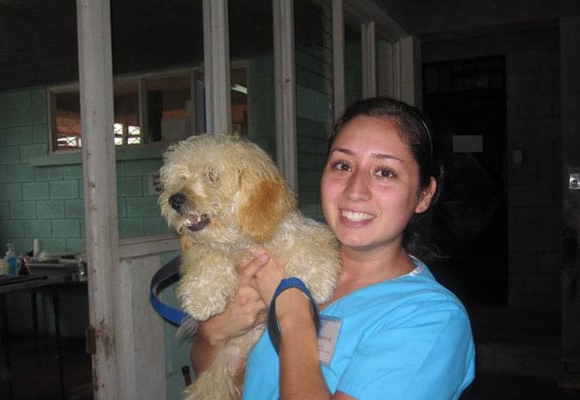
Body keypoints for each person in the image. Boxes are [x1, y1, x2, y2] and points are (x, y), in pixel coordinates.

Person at [191, 97, 475, 399]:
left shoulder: (431, 319)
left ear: (423, 194)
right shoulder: (286, 264)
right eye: (343, 165)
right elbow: (227, 386)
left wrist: (293, 314)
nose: (355, 191)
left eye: (384, 172)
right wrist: (213, 334)